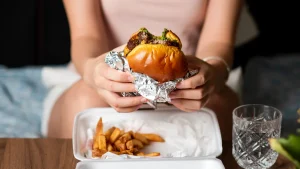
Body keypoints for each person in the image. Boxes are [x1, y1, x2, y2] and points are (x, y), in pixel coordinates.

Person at [46, 0, 242, 140]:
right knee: (85, 107)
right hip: (101, 81)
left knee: (216, 112)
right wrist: (93, 71)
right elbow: (85, 36)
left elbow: (219, 41)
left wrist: (213, 73)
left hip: (189, 84)